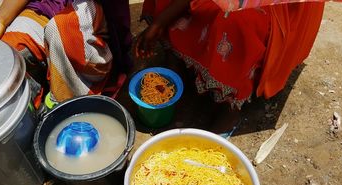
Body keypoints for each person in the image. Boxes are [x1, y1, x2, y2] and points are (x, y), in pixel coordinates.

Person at [136, 0, 325, 108]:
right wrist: (161, 21)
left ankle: (228, 104)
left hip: (277, 6)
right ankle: (176, 53)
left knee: (235, 21)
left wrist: (162, 20)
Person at [0, 0, 132, 110]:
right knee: (8, 52)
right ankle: (31, 112)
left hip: (95, 8)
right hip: (47, 6)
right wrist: (0, 18)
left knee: (61, 31)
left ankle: (68, 107)